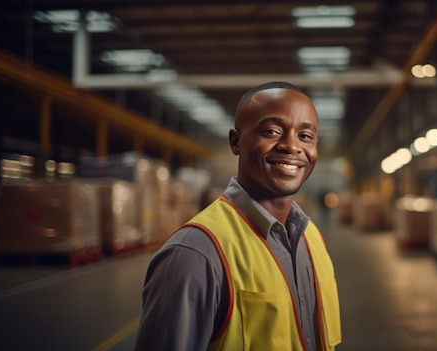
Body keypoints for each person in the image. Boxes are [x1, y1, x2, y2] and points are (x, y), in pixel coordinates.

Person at [134, 81, 341, 351]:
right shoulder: (195, 255)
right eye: (272, 131)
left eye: (305, 136)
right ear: (236, 141)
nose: (291, 146)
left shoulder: (312, 239)